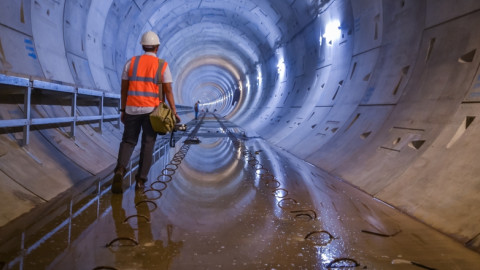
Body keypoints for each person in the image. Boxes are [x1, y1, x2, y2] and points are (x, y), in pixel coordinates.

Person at [112, 31, 181, 193]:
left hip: (132, 109)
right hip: (152, 112)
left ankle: (120, 170)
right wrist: (174, 111)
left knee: (128, 141)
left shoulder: (131, 63)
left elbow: (124, 89)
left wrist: (123, 109)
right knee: (148, 145)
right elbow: (168, 90)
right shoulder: (162, 65)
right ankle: (140, 182)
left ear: (143, 46)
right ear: (157, 48)